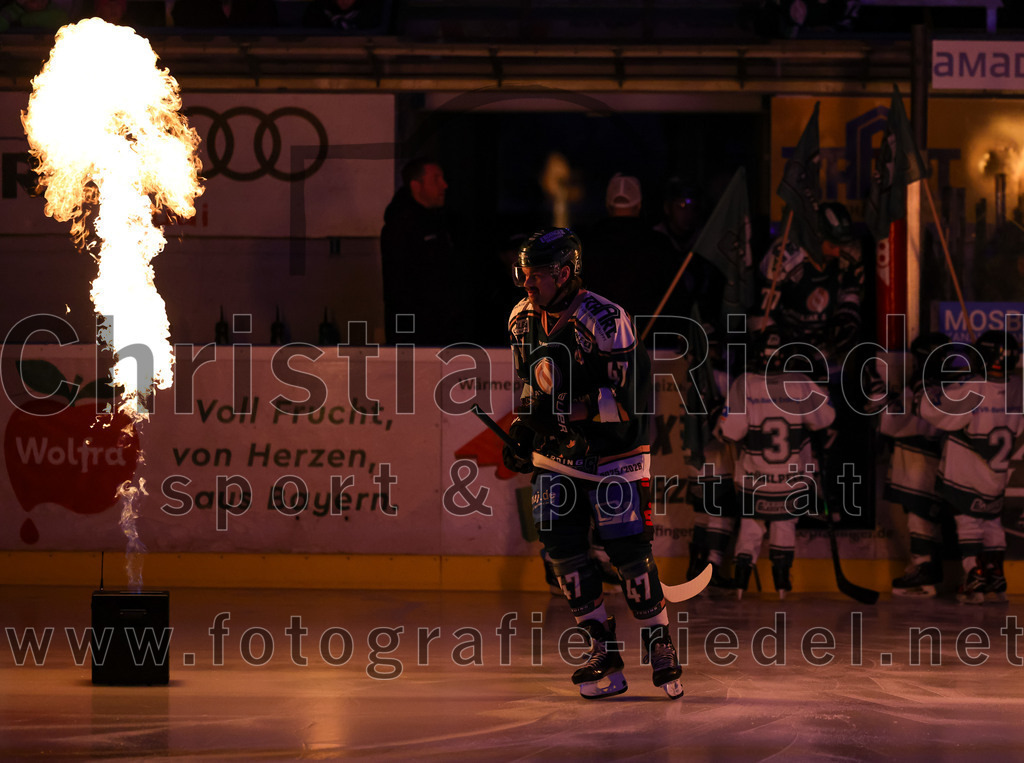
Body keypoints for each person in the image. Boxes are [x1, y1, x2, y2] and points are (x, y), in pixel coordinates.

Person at [501, 227, 684, 700]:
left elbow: (632, 404)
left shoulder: (607, 320)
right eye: (525, 273)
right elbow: (529, 383)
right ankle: (604, 652)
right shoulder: (521, 318)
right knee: (561, 552)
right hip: (558, 456)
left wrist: (563, 412)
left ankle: (659, 642)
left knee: (627, 550)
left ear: (565, 273)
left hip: (614, 455)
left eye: (537, 274)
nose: (527, 284)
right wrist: (524, 431)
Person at [716, 327, 836, 599]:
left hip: (754, 477)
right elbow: (826, 418)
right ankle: (782, 584)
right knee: (784, 525)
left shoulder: (744, 383)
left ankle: (740, 585)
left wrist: (720, 414)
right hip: (789, 478)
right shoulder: (801, 383)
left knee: (750, 526)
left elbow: (731, 432)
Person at [919, 330, 1023, 604]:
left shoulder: (973, 387)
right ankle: (995, 575)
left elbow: (934, 411)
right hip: (997, 475)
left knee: (967, 522)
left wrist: (927, 388)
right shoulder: (1017, 389)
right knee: (992, 521)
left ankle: (973, 574)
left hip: (967, 470)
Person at [868, 332, 953, 597]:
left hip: (916, 459)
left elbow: (890, 424)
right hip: (940, 458)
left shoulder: (917, 387)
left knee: (918, 517)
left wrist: (878, 392)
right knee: (927, 517)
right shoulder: (952, 386)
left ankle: (923, 570)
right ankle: (926, 567)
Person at [379, 157, 455, 345]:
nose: (444, 185)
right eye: (436, 179)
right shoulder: (401, 227)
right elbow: (398, 288)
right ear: (416, 185)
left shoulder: (439, 222)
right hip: (418, 334)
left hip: (439, 328)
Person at [0, 0, 67, 32]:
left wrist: (23, 20)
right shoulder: (11, 11)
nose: (39, 3)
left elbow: (63, 20)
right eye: (33, 1)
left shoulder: (53, 10)